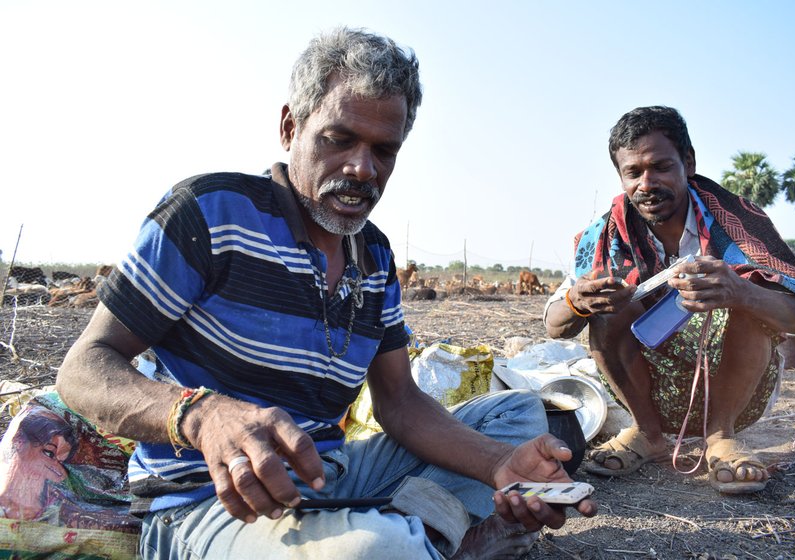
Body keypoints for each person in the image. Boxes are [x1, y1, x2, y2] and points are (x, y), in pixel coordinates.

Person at [56, 27, 595, 559]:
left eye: (384, 150)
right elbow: (83, 369)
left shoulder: (375, 256)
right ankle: (423, 540)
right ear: (291, 127)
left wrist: (499, 464)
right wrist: (203, 416)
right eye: (339, 139)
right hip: (209, 505)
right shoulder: (210, 214)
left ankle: (428, 540)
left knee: (518, 417)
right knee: (371, 550)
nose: (363, 168)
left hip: (328, 475)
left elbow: (401, 403)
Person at [545, 106, 795, 494]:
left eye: (660, 166)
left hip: (739, 390)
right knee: (608, 310)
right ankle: (647, 433)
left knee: (752, 301)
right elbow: (554, 324)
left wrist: (740, 290)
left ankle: (720, 438)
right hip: (648, 388)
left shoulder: (738, 222)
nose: (646, 183)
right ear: (621, 177)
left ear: (687, 163)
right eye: (633, 172)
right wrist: (578, 301)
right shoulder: (606, 234)